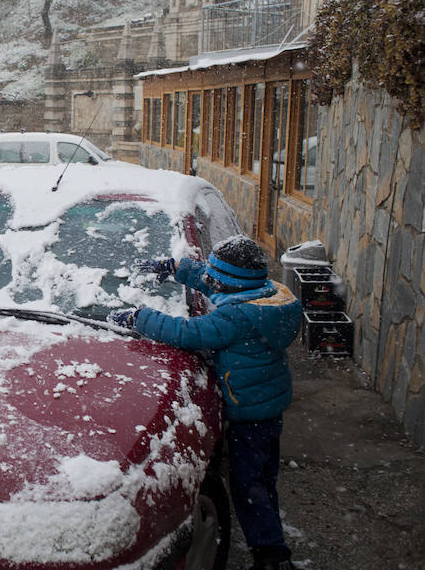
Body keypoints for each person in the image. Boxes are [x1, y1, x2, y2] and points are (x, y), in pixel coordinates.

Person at [107, 235, 301, 570]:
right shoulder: (264, 297)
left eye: (215, 278)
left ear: (229, 284)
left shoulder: (233, 319)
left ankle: (271, 555)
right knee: (264, 477)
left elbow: (187, 332)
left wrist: (140, 318)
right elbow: (213, 283)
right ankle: (270, 535)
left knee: (247, 485)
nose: (209, 282)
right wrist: (176, 269)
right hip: (268, 409)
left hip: (247, 414)